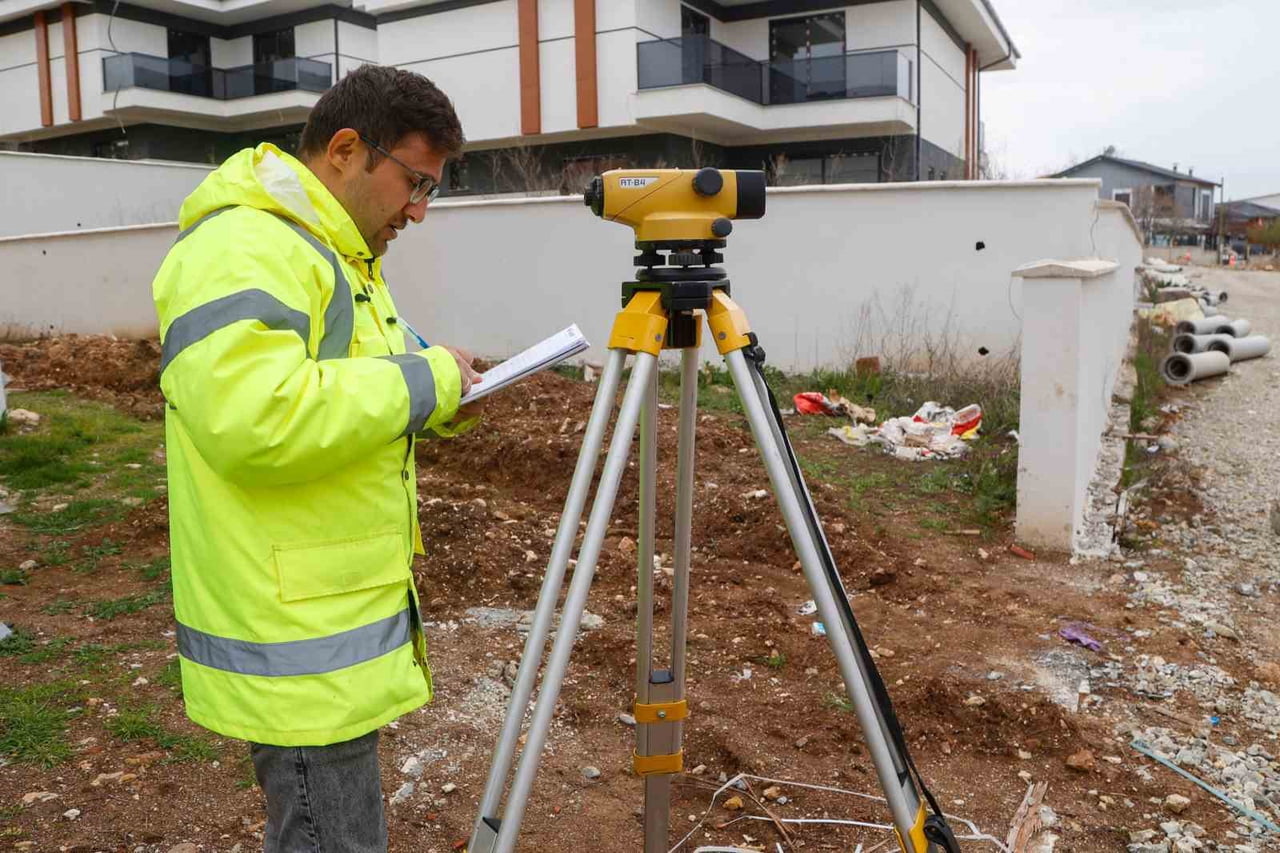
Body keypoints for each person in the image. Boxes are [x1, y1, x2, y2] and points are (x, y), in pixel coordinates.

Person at [150, 65, 481, 852]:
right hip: (294, 641)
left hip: (328, 626)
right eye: (415, 182)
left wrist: (450, 391)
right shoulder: (244, 245)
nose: (420, 210)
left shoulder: (339, 260)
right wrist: (426, 379)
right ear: (343, 149)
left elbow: (368, 384)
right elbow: (255, 417)